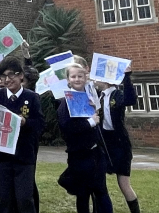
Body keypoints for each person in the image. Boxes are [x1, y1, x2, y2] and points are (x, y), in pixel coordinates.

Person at [0, 58, 44, 213]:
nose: (8, 80)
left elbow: (40, 125)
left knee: (24, 199)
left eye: (12, 75)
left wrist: (25, 122)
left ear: (21, 75)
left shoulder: (32, 97)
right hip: (2, 157)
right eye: (3, 76)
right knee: (4, 200)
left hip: (24, 156)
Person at [57, 64, 113, 213]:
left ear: (85, 78)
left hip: (96, 154)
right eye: (73, 76)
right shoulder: (65, 102)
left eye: (80, 76)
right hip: (79, 155)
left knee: (101, 191)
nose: (77, 79)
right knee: (83, 194)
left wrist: (95, 110)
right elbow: (66, 128)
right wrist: (90, 122)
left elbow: (99, 121)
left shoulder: (91, 97)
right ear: (68, 80)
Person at [97, 72, 141, 213]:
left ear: (105, 80)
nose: (94, 79)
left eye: (97, 76)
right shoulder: (97, 96)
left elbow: (131, 100)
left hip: (120, 143)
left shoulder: (117, 94)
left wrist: (127, 77)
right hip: (104, 143)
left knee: (124, 183)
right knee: (98, 181)